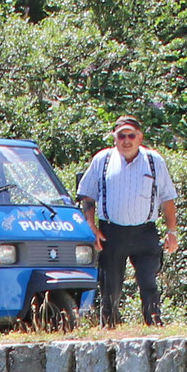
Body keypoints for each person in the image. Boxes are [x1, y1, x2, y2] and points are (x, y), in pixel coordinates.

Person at [76, 115, 178, 327]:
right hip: (111, 233)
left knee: (149, 282)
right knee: (110, 287)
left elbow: (168, 198)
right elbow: (87, 195)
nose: (126, 140)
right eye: (121, 136)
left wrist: (172, 232)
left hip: (145, 232)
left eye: (131, 135)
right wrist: (92, 227)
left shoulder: (154, 161)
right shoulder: (102, 160)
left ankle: (154, 326)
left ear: (140, 137)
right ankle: (109, 330)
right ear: (115, 138)